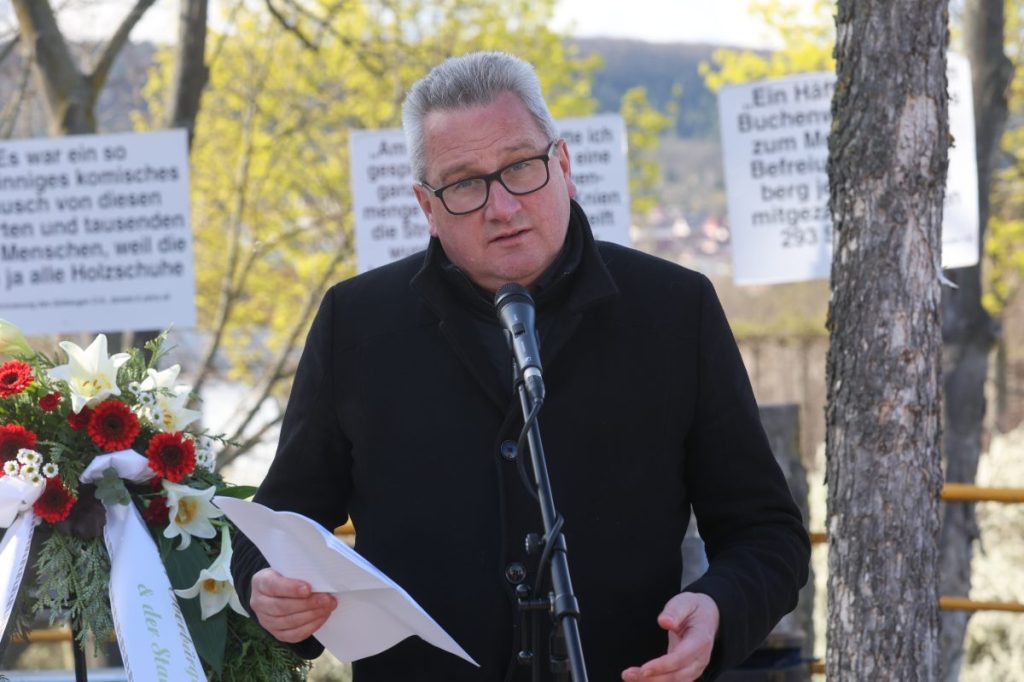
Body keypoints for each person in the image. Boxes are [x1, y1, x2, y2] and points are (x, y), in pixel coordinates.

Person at [231, 51, 810, 682]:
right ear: (427, 206)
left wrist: (719, 608)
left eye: (520, 168)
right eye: (464, 184)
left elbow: (765, 533)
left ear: (562, 165)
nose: (501, 206)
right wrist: (269, 592)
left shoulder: (675, 308)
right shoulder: (357, 322)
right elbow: (276, 529)